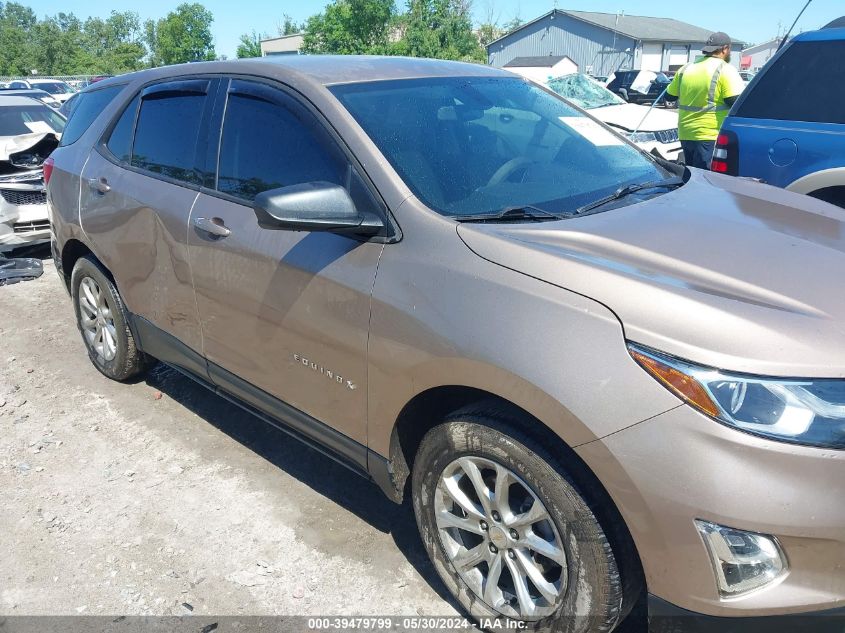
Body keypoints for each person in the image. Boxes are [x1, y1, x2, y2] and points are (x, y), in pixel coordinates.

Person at [665, 32, 745, 169]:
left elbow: (669, 97)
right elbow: (736, 102)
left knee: (690, 174)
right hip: (709, 134)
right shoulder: (725, 69)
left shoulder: (686, 68)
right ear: (725, 49)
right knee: (705, 178)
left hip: (685, 133)